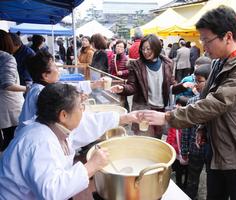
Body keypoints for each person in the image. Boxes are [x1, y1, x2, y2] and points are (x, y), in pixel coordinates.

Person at [141, 6, 236, 200]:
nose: (203, 45)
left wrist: (168, 117)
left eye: (206, 39)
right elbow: (205, 96)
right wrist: (202, 126)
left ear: (228, 36)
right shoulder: (219, 61)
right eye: (201, 39)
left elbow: (216, 103)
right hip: (219, 143)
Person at [0, 82, 140, 199]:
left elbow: (90, 123)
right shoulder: (40, 142)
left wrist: (125, 118)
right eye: (80, 107)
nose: (83, 111)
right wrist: (91, 166)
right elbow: (51, 192)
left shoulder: (54, 125)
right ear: (63, 115)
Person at [110, 34, 174, 139]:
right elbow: (132, 86)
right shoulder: (136, 65)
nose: (145, 52)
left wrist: (183, 86)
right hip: (144, 108)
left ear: (156, 48)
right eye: (143, 49)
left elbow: (171, 85)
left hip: (161, 109)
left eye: (149, 49)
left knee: (157, 139)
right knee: (143, 138)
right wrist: (122, 88)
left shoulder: (167, 64)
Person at [18, 51, 104, 129]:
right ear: (45, 76)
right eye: (55, 66)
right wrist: (77, 100)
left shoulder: (40, 87)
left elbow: (67, 88)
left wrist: (94, 85)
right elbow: (60, 111)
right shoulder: (41, 93)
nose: (58, 69)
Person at [181, 64, 211, 200]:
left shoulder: (217, 102)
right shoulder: (192, 101)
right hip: (195, 150)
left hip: (212, 151)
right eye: (195, 80)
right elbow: (186, 128)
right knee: (192, 178)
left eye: (199, 81)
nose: (196, 84)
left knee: (213, 180)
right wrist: (184, 149)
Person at [0, 30, 26, 151]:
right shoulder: (6, 58)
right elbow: (7, 84)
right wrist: (28, 88)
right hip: (9, 106)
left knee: (7, 137)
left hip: (4, 106)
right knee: (12, 139)